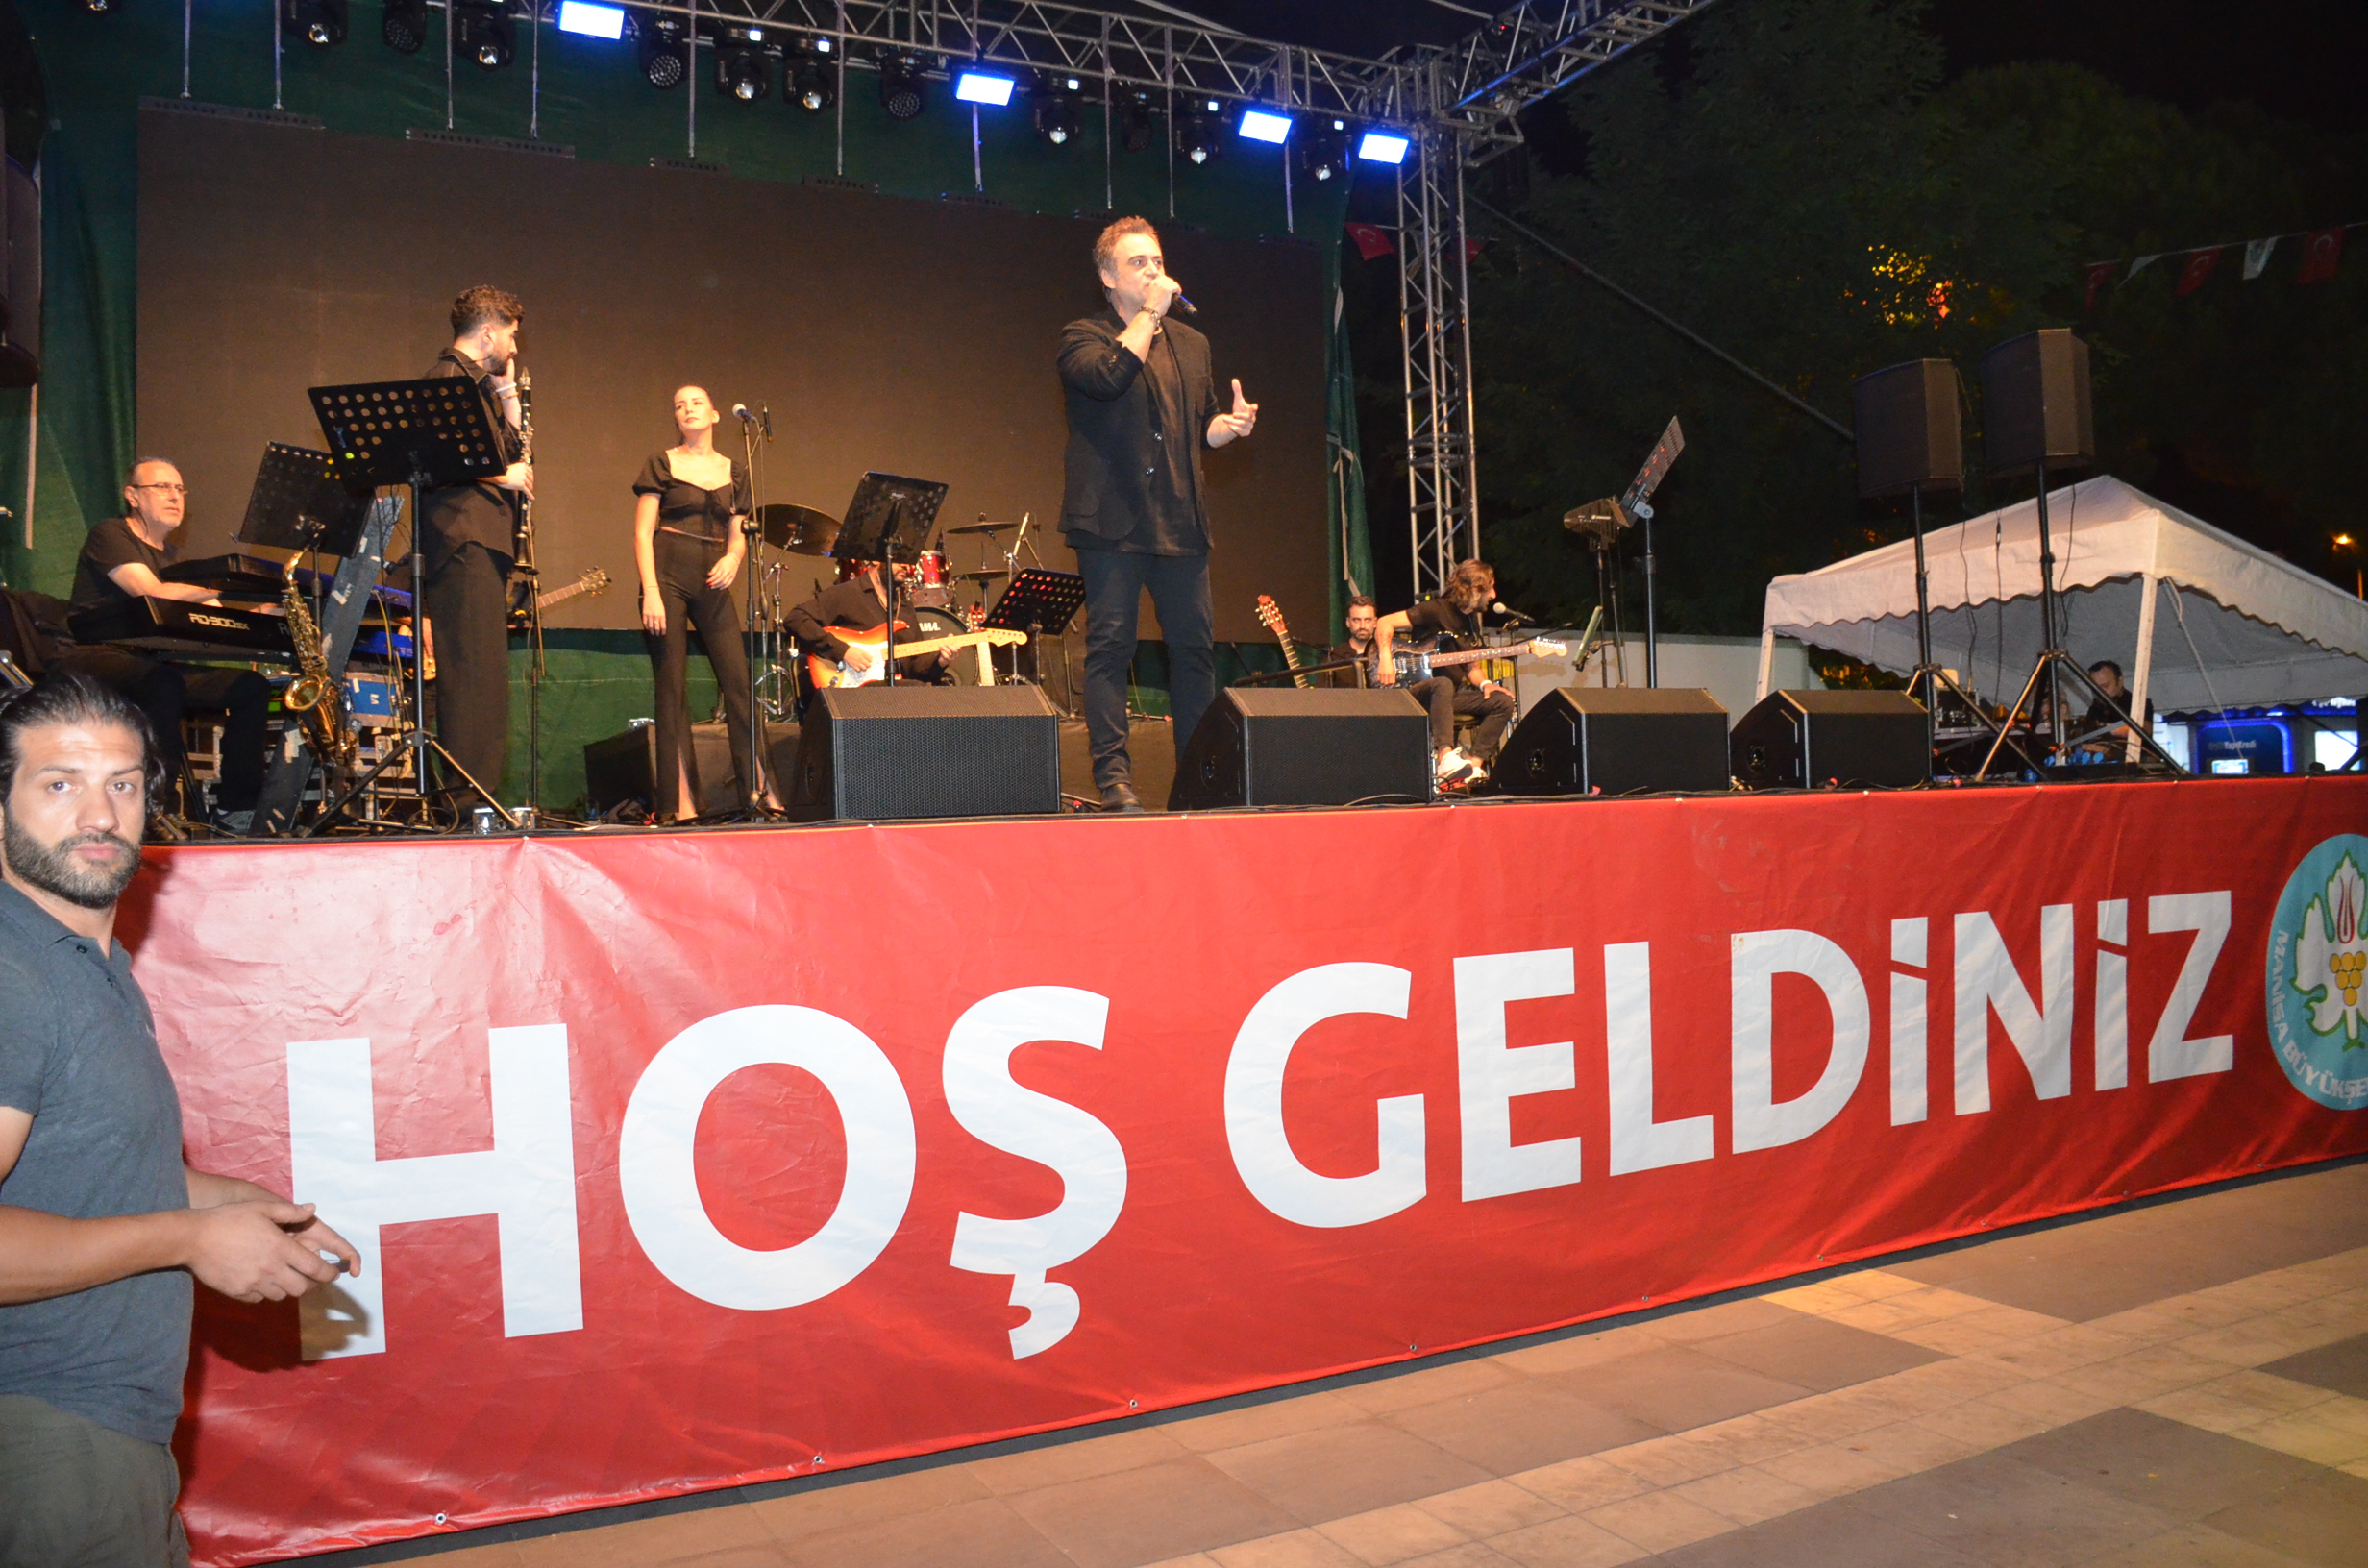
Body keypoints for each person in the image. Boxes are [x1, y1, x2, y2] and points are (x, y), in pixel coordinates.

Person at [0, 670, 359, 1566]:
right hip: (46, 1434)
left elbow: (82, 1167)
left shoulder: (82, 963)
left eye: (122, 784)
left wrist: (225, 1203)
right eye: (59, 784)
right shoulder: (13, 977)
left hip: (96, 1437)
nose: (99, 813)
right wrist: (189, 1239)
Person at [1058, 216, 1259, 812]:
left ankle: (1197, 778)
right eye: (1137, 263)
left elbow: (1201, 427)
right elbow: (1109, 378)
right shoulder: (1082, 337)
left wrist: (1229, 427)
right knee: (1111, 649)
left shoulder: (1192, 344)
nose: (1152, 271)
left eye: (1157, 260)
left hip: (1180, 520)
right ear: (1107, 277)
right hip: (1112, 522)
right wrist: (1149, 314)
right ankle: (1114, 781)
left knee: (1193, 652)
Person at [62, 458, 273, 835]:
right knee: (163, 683)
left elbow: (219, 619)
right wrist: (220, 582)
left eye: (179, 489)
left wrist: (264, 611)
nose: (174, 496)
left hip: (154, 662)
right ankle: (158, 808)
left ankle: (236, 809)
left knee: (250, 687)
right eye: (162, 487)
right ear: (133, 496)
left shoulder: (177, 560)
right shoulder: (110, 534)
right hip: (93, 655)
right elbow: (150, 593)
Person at [632, 386, 776, 821]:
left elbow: (739, 530)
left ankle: (762, 794)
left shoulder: (736, 470)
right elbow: (642, 532)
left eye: (696, 403)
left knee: (738, 681)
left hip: (713, 578)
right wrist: (651, 590)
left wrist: (733, 557)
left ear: (714, 415)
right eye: (679, 405)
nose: (687, 409)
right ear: (676, 419)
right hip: (667, 574)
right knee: (671, 685)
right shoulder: (662, 462)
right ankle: (681, 803)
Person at [420, 286, 533, 816]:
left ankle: (475, 798)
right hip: (463, 537)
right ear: (488, 332)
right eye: (511, 334)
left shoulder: (478, 386)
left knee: (484, 674)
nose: (514, 345)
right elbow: (440, 459)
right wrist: (501, 476)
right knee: (470, 674)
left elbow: (511, 448)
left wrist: (508, 393)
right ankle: (465, 804)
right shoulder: (447, 379)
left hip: (481, 539)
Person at [1372, 560, 1517, 786]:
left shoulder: (1471, 622)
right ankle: (1445, 758)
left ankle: (1472, 768)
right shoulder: (1435, 609)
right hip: (1416, 692)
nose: (1493, 595)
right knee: (1442, 684)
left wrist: (1485, 684)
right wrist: (1385, 659)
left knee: (1503, 701)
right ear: (1474, 589)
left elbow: (1472, 666)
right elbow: (1384, 622)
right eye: (1489, 589)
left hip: (1448, 698)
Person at [786, 561, 955, 691]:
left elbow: (913, 669)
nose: (906, 566)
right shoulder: (847, 593)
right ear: (875, 560)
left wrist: (940, 661)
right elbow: (795, 619)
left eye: (909, 560)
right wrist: (843, 651)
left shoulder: (904, 607)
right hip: (852, 695)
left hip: (893, 697)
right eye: (899, 559)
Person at [2078, 658, 2154, 757]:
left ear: (2120, 681)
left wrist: (2103, 727)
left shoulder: (2139, 703)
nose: (2100, 692)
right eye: (2095, 688)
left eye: (2106, 686)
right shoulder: (2095, 708)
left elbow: (2145, 730)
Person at [1323, 594, 1379, 688]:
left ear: (1375, 622)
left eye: (1367, 620)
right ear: (1348, 622)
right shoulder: (1333, 657)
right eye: (1357, 620)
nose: (1362, 626)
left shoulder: (1386, 653)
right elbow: (1321, 694)